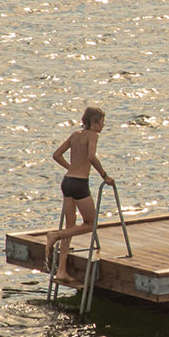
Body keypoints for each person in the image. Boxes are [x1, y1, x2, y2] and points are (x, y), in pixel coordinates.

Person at [44, 106, 113, 281]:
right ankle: (55, 236)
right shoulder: (92, 136)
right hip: (80, 184)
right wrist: (105, 176)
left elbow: (56, 155)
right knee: (91, 223)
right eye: (102, 122)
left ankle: (61, 271)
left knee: (71, 228)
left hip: (67, 182)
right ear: (93, 122)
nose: (103, 126)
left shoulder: (75, 135)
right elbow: (91, 156)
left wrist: (71, 168)